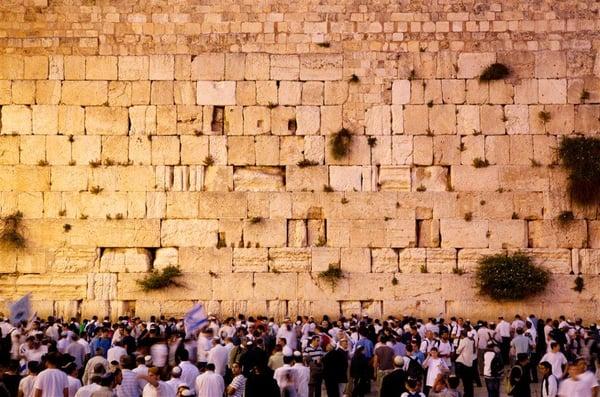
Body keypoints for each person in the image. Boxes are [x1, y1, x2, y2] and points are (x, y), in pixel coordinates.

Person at [455, 331, 475, 397]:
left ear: (462, 335)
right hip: (470, 363)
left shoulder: (464, 340)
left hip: (464, 363)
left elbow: (458, 351)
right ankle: (471, 394)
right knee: (469, 381)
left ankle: (466, 394)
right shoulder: (472, 341)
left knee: (465, 381)